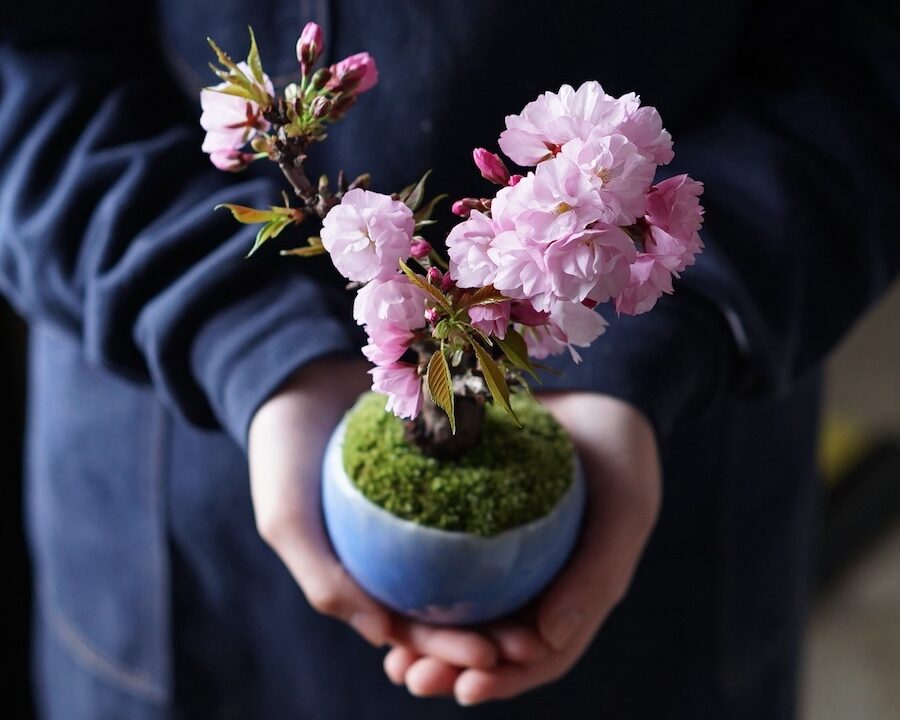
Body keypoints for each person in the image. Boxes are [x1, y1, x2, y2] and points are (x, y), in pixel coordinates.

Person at [1, 1, 897, 717]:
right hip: (177, 508)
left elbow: (869, 60)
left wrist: (668, 341)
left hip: (681, 479)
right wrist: (247, 344)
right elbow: (27, 68)